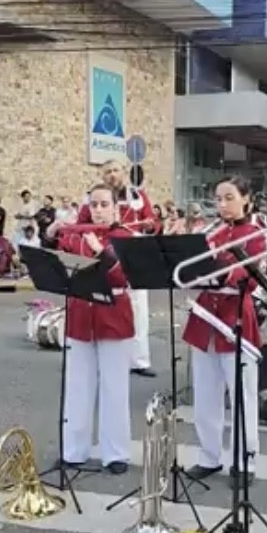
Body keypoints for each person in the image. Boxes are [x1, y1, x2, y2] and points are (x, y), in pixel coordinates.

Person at [181, 175, 267, 489]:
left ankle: (245, 460)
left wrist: (222, 270)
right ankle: (209, 455)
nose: (222, 205)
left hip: (235, 315)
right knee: (205, 394)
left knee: (242, 394)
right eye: (218, 198)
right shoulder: (210, 231)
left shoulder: (257, 234)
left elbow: (253, 276)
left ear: (246, 198)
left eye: (229, 197)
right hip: (204, 318)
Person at [46, 185, 136, 473]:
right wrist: (51, 236)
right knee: (77, 386)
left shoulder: (125, 237)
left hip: (113, 315)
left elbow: (127, 274)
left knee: (114, 388)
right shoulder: (76, 234)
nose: (98, 209)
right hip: (81, 316)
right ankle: (74, 450)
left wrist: (102, 252)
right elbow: (57, 261)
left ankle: (116, 453)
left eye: (104, 204)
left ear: (115, 208)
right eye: (94, 204)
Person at [76, 157, 159, 378]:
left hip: (132, 252)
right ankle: (105, 353)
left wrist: (150, 225)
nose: (112, 175)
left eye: (115, 170)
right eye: (107, 172)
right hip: (103, 251)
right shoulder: (92, 198)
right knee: (106, 303)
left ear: (124, 172)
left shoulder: (138, 197)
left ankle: (139, 360)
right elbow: (81, 223)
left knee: (138, 307)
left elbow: (151, 222)